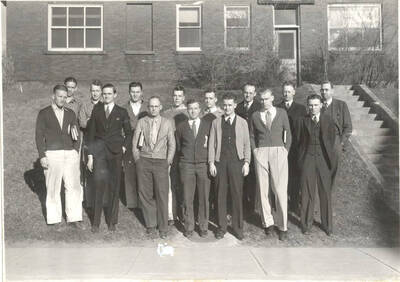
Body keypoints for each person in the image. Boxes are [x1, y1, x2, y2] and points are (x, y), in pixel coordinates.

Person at [35, 84, 84, 229]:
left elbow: (77, 134)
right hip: (52, 154)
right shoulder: (44, 113)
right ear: (53, 96)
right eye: (59, 96)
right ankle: (54, 219)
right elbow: (38, 136)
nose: (62, 99)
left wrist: (75, 151)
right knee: (53, 188)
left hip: (70, 154)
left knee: (73, 186)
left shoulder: (70, 113)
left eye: (64, 96)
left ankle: (74, 217)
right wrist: (42, 156)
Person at [86, 84, 132, 233]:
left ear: (115, 94)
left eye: (109, 93)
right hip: (99, 154)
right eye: (104, 94)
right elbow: (91, 134)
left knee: (114, 186)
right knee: (98, 186)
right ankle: (96, 222)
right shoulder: (97, 110)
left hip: (115, 154)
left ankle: (112, 221)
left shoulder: (122, 112)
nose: (106, 96)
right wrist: (91, 157)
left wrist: (123, 147)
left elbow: (129, 133)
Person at [249, 89, 292, 241]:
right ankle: (267, 223)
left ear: (272, 98)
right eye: (261, 99)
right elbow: (252, 135)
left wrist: (284, 151)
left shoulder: (281, 113)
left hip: (278, 151)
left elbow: (288, 132)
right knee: (263, 189)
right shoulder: (255, 115)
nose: (264, 102)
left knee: (279, 189)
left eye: (266, 99)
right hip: (261, 152)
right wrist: (255, 151)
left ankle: (283, 226)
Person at [209, 93, 251, 240]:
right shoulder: (216, 122)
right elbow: (212, 145)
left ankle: (238, 227)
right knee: (220, 194)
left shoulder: (242, 122)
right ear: (222, 106)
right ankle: (221, 227)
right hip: (220, 162)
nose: (227, 108)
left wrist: (246, 162)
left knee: (237, 194)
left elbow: (247, 144)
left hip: (236, 162)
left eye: (230, 105)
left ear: (234, 106)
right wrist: (211, 162)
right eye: (225, 105)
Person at [133, 96, 176, 239]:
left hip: (161, 162)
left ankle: (163, 227)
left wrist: (167, 162)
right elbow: (134, 144)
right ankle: (151, 225)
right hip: (144, 161)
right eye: (151, 106)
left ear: (161, 107)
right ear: (148, 107)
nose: (153, 109)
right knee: (145, 194)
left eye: (156, 106)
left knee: (162, 194)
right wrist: (138, 160)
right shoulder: (142, 122)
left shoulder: (167, 123)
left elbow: (172, 144)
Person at [296, 94, 338, 236]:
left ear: (321, 105)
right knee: (307, 192)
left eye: (315, 105)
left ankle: (327, 225)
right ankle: (306, 224)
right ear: (308, 106)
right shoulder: (302, 121)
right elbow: (299, 141)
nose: (313, 108)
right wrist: (301, 160)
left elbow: (331, 140)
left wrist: (328, 157)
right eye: (310, 105)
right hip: (307, 159)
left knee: (325, 192)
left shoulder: (328, 120)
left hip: (323, 161)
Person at [175, 99, 212, 238]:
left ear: (200, 110)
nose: (193, 111)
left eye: (196, 108)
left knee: (203, 197)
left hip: (203, 165)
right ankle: (189, 226)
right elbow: (179, 147)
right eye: (190, 108)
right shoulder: (181, 126)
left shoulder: (208, 125)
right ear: (187, 110)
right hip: (187, 165)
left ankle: (203, 226)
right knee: (187, 197)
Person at [276, 82, 307, 215]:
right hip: (279, 147)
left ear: (294, 92)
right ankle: (281, 203)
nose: (286, 94)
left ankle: (294, 203)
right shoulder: (277, 107)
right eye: (284, 91)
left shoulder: (301, 109)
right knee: (280, 176)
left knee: (294, 176)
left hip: (295, 148)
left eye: (289, 91)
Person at [162, 85, 189, 225]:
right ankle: (171, 214)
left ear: (183, 97)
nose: (177, 98)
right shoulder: (166, 113)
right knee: (171, 184)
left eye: (179, 96)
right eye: (175, 95)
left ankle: (184, 213)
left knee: (184, 184)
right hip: (170, 153)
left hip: (185, 154)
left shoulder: (189, 112)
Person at [235, 83, 262, 212]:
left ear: (255, 94)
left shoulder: (259, 107)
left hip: (255, 145)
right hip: (241, 146)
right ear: (243, 92)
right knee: (242, 175)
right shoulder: (238, 107)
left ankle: (253, 206)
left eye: (251, 93)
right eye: (246, 92)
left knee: (254, 177)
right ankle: (243, 205)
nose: (248, 95)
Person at [320, 81, 352, 184]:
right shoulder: (316, 104)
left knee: (333, 174)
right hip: (319, 143)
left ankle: (330, 198)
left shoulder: (341, 105)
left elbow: (348, 127)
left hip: (335, 142)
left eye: (326, 90)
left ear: (332, 91)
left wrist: (341, 143)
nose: (324, 92)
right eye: (322, 90)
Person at [122, 82, 148, 209]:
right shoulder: (123, 108)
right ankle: (132, 202)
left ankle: (144, 201)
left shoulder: (148, 107)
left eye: (137, 91)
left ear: (141, 92)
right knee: (129, 172)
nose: (135, 94)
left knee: (144, 172)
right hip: (128, 141)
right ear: (129, 92)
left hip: (145, 144)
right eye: (132, 91)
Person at [78, 80, 102, 208]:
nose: (95, 93)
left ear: (101, 91)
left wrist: (90, 120)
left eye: (97, 90)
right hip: (88, 141)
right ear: (90, 91)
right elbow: (82, 123)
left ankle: (100, 200)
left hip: (101, 143)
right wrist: (95, 123)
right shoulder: (85, 105)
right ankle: (88, 200)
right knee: (88, 169)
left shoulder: (104, 105)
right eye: (93, 90)